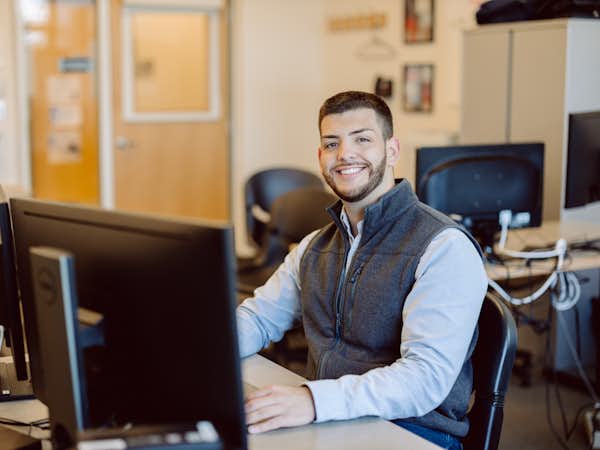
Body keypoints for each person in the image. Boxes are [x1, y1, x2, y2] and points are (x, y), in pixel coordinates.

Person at [236, 91, 488, 449]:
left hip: (413, 433)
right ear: (320, 157)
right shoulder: (313, 247)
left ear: (392, 150)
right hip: (330, 424)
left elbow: (424, 380)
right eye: (331, 143)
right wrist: (200, 349)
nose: (345, 154)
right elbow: (259, 319)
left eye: (362, 139)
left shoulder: (443, 247)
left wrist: (312, 401)